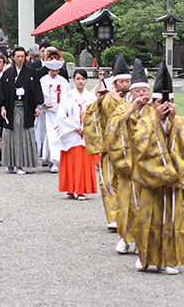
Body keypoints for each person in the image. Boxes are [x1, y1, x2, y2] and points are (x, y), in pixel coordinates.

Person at [130, 62, 184, 275]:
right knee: (147, 217)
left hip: (172, 183)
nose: (164, 107)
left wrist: (173, 122)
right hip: (151, 181)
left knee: (172, 218)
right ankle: (146, 258)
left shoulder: (181, 123)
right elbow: (138, 144)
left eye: (168, 103)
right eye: (159, 102)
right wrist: (156, 123)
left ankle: (170, 259)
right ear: (152, 103)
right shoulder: (145, 123)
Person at [107, 59, 152, 255]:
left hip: (150, 163)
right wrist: (132, 110)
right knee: (126, 202)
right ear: (131, 92)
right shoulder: (124, 108)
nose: (141, 95)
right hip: (128, 161)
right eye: (138, 91)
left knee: (147, 203)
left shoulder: (155, 110)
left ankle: (145, 239)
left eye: (144, 91)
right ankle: (125, 237)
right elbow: (111, 127)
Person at [83, 52, 131, 231]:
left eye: (127, 81)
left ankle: (128, 214)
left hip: (130, 147)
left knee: (128, 181)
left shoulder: (135, 97)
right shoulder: (108, 96)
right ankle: (113, 217)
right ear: (115, 82)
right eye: (121, 82)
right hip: (111, 146)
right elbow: (91, 113)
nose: (125, 84)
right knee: (108, 181)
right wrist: (99, 100)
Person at [0, 46, 43, 175]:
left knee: (24, 135)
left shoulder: (31, 72)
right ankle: (10, 162)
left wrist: (37, 106)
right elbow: (2, 92)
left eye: (22, 56)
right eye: (18, 56)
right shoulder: (8, 73)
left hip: (26, 108)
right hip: (11, 107)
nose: (20, 59)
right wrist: (2, 107)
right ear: (13, 57)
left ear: (26, 57)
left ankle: (21, 164)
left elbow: (37, 90)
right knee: (9, 135)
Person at [56, 69, 98, 200]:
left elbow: (96, 115)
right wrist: (75, 127)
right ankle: (70, 188)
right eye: (78, 79)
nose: (80, 81)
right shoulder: (67, 96)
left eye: (83, 79)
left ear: (86, 80)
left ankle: (81, 189)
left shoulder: (91, 97)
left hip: (85, 133)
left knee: (83, 162)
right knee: (70, 161)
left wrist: (85, 127)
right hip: (71, 132)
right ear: (73, 80)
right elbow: (61, 115)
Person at [37, 51, 69, 172]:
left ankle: (57, 160)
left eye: (56, 71)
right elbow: (40, 94)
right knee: (50, 135)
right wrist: (44, 103)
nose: (54, 73)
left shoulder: (63, 81)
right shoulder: (43, 80)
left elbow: (67, 95)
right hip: (48, 112)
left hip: (60, 112)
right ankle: (51, 159)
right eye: (52, 70)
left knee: (59, 135)